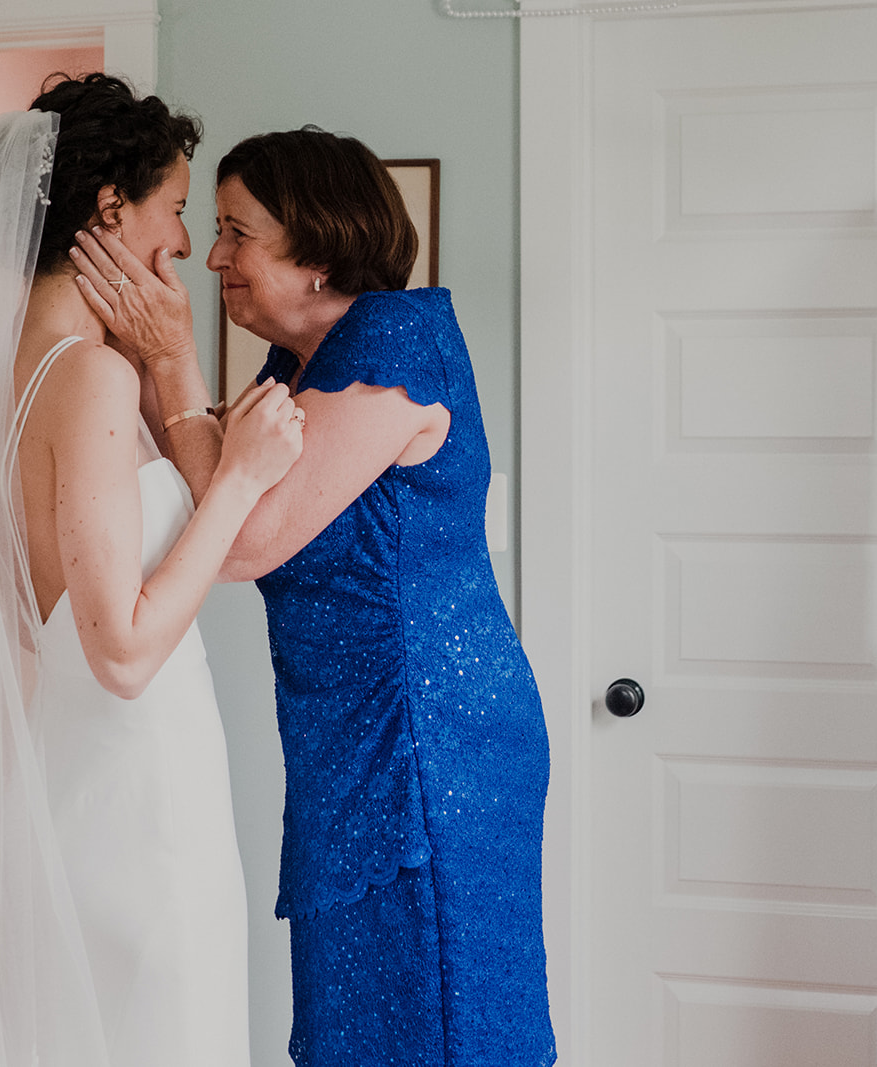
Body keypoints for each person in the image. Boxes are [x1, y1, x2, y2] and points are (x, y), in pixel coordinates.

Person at [0, 75, 301, 1067]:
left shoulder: (9, 370)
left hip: (74, 766)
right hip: (135, 782)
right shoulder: (87, 376)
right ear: (107, 208)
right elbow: (119, 649)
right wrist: (241, 482)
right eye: (171, 209)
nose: (178, 244)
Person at [73, 126, 556, 1067]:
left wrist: (170, 359)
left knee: (433, 1015)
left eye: (236, 232)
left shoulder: (395, 336)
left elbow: (247, 535)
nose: (213, 257)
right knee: (360, 1020)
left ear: (320, 247)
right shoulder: (292, 370)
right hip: (346, 735)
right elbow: (224, 490)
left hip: (429, 738)